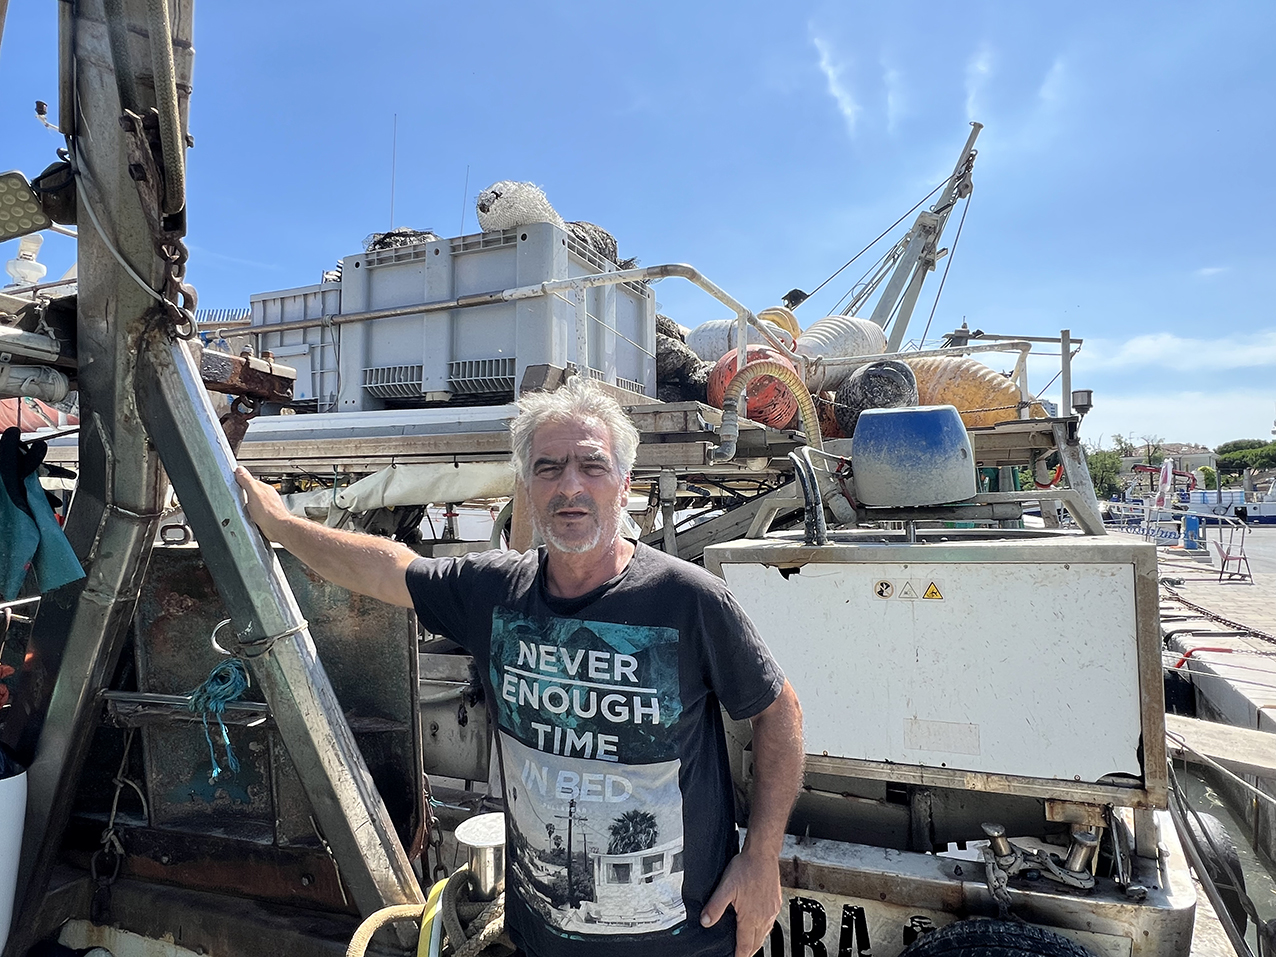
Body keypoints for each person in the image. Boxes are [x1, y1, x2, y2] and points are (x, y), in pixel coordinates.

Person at [235, 376, 804, 957]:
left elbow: (778, 711)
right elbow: (385, 569)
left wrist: (761, 859)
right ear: (527, 489)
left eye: (592, 466)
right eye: (549, 468)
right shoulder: (494, 591)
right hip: (539, 940)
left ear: (624, 484)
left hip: (682, 942)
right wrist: (282, 525)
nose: (570, 486)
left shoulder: (689, 600)